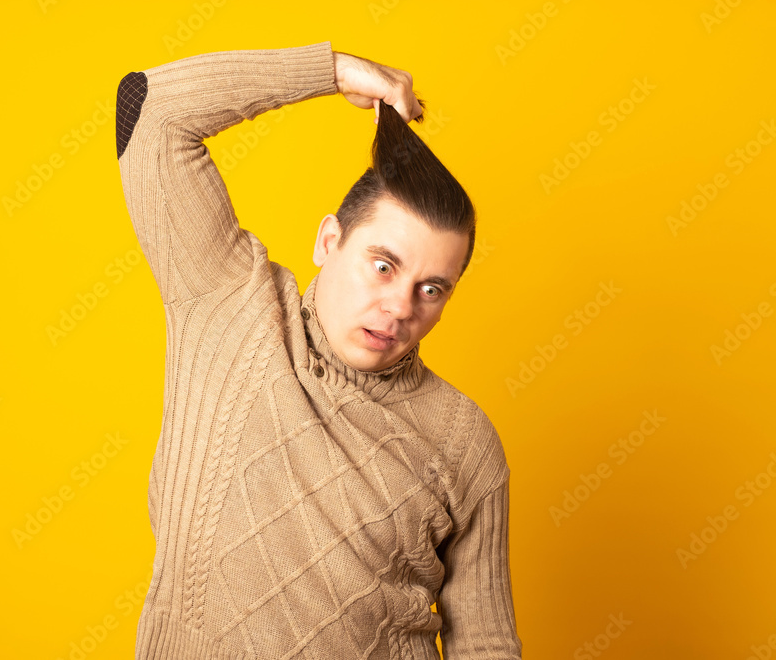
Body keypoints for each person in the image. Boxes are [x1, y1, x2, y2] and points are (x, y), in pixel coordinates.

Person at [115, 39, 521, 659]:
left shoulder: (464, 440)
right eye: (383, 266)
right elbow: (151, 110)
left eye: (431, 288)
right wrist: (332, 72)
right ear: (329, 241)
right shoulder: (227, 301)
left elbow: (486, 644)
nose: (401, 307)